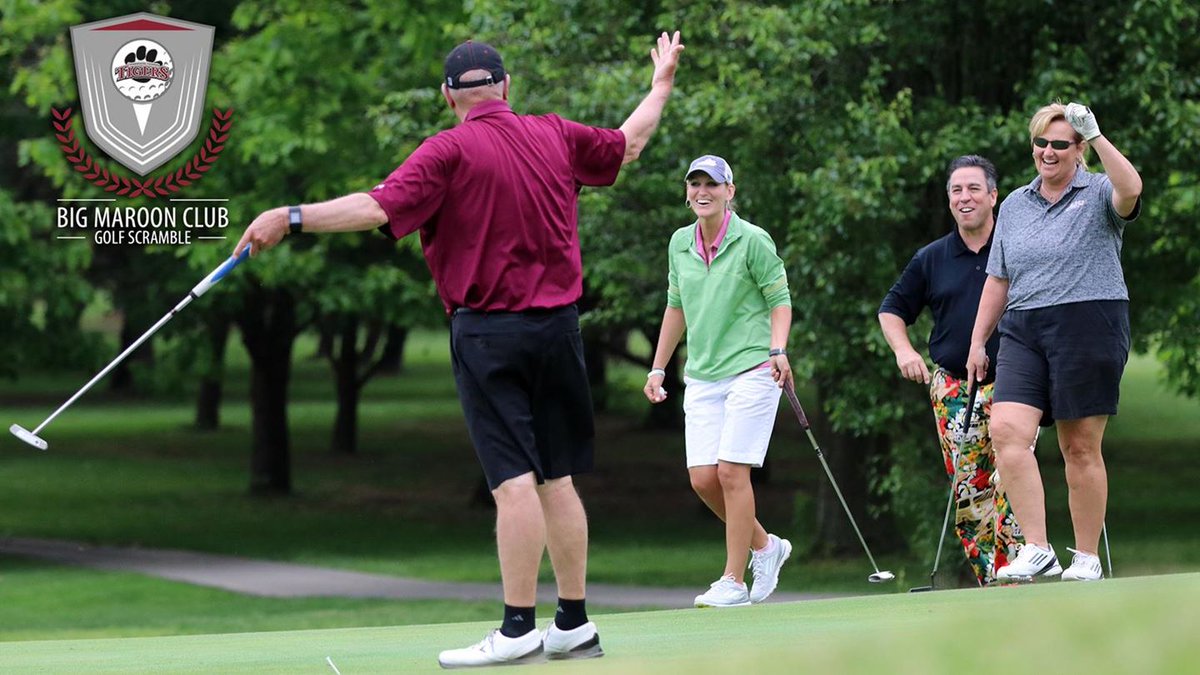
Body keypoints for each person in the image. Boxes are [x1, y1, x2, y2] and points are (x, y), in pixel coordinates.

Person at [235, 33, 685, 668]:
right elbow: (629, 142)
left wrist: (290, 216)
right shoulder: (554, 133)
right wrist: (661, 83)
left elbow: (374, 208)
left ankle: (519, 629)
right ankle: (574, 623)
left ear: (448, 96)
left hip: (489, 335)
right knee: (558, 477)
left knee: (514, 484)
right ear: (506, 87)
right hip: (559, 330)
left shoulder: (446, 151)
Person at [966, 102, 1142, 582]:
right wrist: (978, 340)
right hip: (1023, 327)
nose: (1048, 151)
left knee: (1078, 446)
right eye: (1041, 142)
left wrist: (1098, 135)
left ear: (1078, 148)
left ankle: (1085, 556)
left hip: (1089, 322)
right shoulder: (1015, 204)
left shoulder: (1099, 190)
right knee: (1006, 431)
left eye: (1060, 144)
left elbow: (1132, 189)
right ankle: (1038, 547)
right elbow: (998, 278)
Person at [643, 154, 794, 608]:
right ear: (687, 193)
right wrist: (658, 367)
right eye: (695, 184)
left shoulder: (753, 240)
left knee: (731, 472)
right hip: (702, 375)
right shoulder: (679, 243)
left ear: (730, 191)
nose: (702, 191)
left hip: (752, 368)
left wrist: (778, 349)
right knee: (703, 479)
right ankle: (766, 546)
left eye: (712, 184)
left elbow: (780, 299)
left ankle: (733, 580)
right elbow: (676, 306)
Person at [878, 155, 1024, 586]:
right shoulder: (932, 257)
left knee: (1013, 480)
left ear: (993, 196)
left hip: (1017, 382)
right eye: (956, 190)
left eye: (974, 188)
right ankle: (993, 582)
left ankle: (1019, 578)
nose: (965, 198)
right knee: (970, 495)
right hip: (956, 389)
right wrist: (904, 352)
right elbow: (891, 310)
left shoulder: (1018, 247)